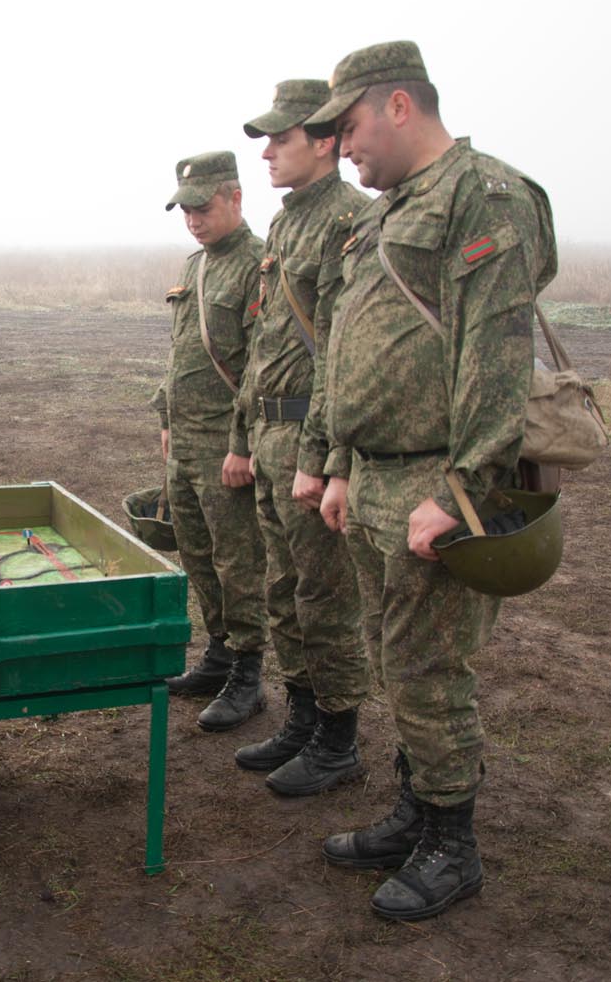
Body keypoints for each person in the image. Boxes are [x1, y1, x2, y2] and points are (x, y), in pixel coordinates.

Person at [303, 42, 557, 919]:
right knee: (389, 659)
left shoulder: (482, 195)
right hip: (372, 481)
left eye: (349, 126)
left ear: (399, 105)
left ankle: (454, 842)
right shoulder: (382, 215)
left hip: (431, 485)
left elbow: (495, 354)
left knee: (428, 668)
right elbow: (345, 347)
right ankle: (416, 811)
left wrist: (460, 493)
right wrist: (337, 464)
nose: (341, 147)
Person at [227, 81, 374, 796]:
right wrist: (246, 435)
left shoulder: (351, 220)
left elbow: (349, 352)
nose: (267, 152)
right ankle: (304, 717)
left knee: (326, 595)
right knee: (283, 588)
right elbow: (262, 341)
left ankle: (340, 739)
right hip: (271, 432)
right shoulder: (286, 226)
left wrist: (328, 458)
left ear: (324, 141)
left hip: (313, 439)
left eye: (281, 138)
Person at [153, 151, 270, 732]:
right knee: (198, 556)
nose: (193, 218)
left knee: (238, 561)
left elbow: (261, 365)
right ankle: (219, 654)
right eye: (185, 209)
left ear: (235, 199)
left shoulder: (258, 265)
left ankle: (249, 674)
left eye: (202, 207)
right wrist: (166, 418)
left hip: (226, 445)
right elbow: (181, 354)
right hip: (187, 441)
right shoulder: (194, 266)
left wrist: (242, 444)